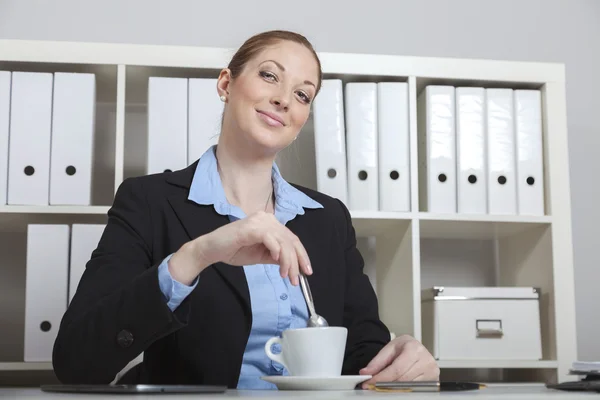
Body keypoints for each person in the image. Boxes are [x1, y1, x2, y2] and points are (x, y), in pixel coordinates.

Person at [52, 29, 439, 390]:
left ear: (302, 120)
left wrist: (403, 360)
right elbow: (76, 362)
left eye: (303, 95)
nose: (284, 99)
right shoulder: (149, 201)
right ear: (226, 84)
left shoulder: (329, 217)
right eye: (270, 76)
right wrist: (197, 255)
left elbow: (362, 356)